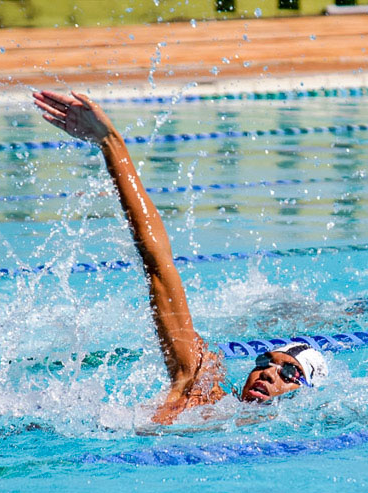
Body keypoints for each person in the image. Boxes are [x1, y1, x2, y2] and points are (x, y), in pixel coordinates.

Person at [33, 91, 328, 424]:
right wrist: (111, 144)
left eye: (289, 373)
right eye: (264, 362)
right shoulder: (199, 389)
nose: (268, 374)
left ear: (305, 397)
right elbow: (159, 265)